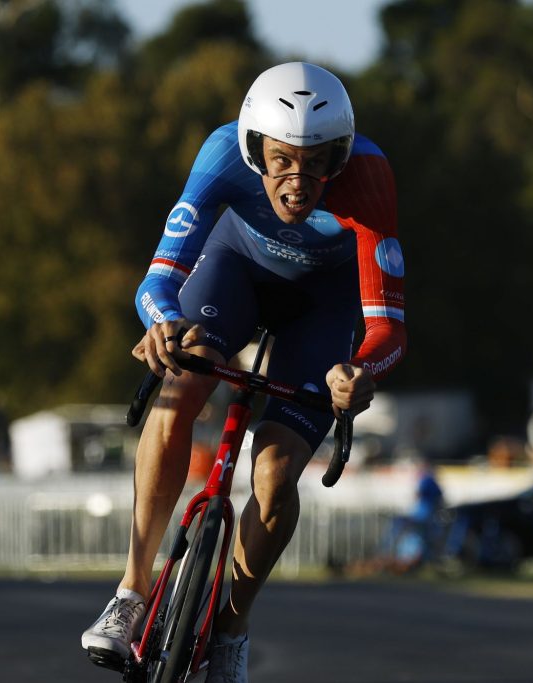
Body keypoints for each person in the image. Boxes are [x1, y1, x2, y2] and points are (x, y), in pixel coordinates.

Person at [81, 62, 407, 682]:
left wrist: (360, 372)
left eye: (316, 162)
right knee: (180, 386)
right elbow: (158, 280)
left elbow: (389, 326)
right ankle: (131, 591)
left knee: (276, 474)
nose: (298, 181)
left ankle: (231, 631)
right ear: (254, 149)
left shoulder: (368, 176)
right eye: (281, 160)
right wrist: (163, 323)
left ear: (340, 156)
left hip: (323, 303)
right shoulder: (222, 153)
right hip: (233, 271)